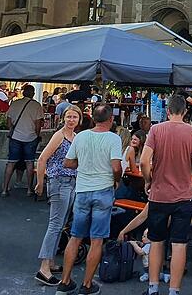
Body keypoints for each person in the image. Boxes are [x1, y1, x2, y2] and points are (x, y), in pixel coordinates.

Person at [140, 94, 192, 295]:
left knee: (156, 241)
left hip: (159, 194)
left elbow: (143, 161)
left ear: (168, 111)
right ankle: (174, 290)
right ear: (185, 111)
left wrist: (148, 180)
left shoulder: (156, 130)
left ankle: (153, 288)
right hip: (184, 196)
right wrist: (190, 169)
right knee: (179, 244)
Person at [56, 104, 123, 295]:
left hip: (82, 191)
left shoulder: (81, 136)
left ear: (92, 119)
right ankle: (87, 285)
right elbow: (116, 167)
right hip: (103, 190)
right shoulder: (114, 139)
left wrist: (84, 163)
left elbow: (67, 162)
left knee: (76, 237)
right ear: (110, 120)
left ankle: (65, 281)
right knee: (96, 240)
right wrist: (115, 181)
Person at [33, 105, 82, 286]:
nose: (71, 120)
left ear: (79, 120)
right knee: (55, 225)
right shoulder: (59, 136)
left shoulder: (76, 137)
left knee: (60, 224)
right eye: (68, 116)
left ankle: (51, 261)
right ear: (63, 118)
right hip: (59, 182)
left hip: (71, 183)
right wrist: (39, 182)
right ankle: (44, 268)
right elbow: (42, 158)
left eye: (74, 117)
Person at [2, 84, 44, 197]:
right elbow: (38, 124)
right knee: (29, 162)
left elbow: (9, 122)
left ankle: (5, 189)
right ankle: (29, 189)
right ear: (33, 93)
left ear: (23, 92)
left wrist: (13, 130)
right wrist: (37, 135)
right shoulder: (36, 105)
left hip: (15, 137)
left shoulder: (15, 103)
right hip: (30, 137)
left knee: (11, 162)